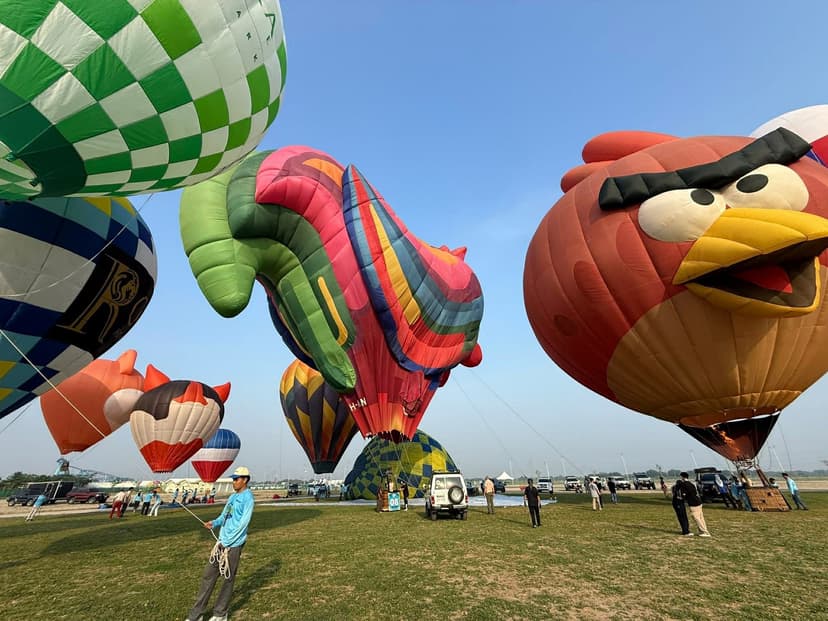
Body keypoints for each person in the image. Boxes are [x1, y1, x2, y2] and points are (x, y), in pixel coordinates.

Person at [185, 466, 255, 621]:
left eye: (236, 479)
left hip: (233, 545)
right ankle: (196, 615)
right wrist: (214, 523)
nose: (234, 482)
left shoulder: (248, 498)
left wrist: (229, 541)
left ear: (245, 480)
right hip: (221, 543)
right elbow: (224, 516)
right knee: (208, 576)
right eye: (233, 479)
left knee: (227, 579)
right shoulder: (232, 497)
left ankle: (220, 613)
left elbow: (244, 523)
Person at [677, 472, 710, 537]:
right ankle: (702, 531)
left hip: (693, 504)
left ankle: (705, 532)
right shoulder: (691, 484)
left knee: (696, 518)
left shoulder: (684, 484)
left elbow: (684, 494)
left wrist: (681, 498)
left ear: (682, 477)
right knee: (701, 518)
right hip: (698, 502)